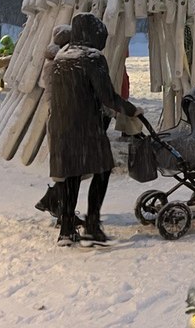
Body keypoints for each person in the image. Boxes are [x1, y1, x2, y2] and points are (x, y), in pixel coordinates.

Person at [47, 12, 141, 246]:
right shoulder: (91, 58)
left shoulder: (61, 57)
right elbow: (107, 96)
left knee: (71, 174)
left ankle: (67, 229)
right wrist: (130, 110)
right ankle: (92, 224)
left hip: (61, 126)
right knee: (103, 169)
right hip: (86, 126)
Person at [35, 24, 73, 222]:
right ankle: (56, 205)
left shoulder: (52, 62)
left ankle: (55, 204)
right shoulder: (58, 64)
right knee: (68, 168)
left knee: (66, 168)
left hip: (58, 117)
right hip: (63, 118)